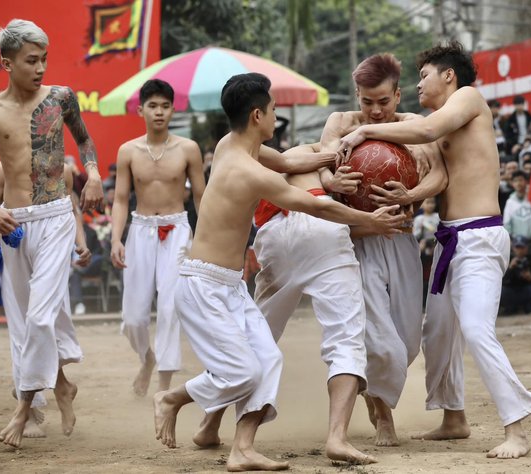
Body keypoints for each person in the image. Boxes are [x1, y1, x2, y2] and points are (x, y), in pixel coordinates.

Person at [152, 73, 403, 471]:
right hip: (203, 284)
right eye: (272, 111)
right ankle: (174, 397)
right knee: (243, 370)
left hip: (230, 283)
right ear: (257, 115)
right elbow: (316, 206)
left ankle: (242, 449)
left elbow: (287, 161)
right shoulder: (247, 170)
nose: (275, 116)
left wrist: (328, 154)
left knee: (268, 360)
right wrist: (369, 219)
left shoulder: (233, 145)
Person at [338, 40, 531, 459]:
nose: (419, 85)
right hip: (451, 237)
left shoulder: (467, 99)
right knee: (438, 333)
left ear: (448, 75)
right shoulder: (445, 119)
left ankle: (517, 429)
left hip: (480, 236)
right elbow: (442, 177)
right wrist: (410, 193)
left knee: (474, 327)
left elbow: (428, 131)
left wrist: (365, 129)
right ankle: (454, 417)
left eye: (424, 76)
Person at [0, 19, 103, 447]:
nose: (40, 67)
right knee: (27, 324)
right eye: (31, 60)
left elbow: (83, 141)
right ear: (6, 63)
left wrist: (95, 173)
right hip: (15, 224)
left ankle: (24, 407)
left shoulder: (61, 97)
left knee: (42, 316)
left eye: (44, 58)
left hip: (57, 216)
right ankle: (61, 386)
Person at [317, 52, 447, 447]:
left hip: (401, 236)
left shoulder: (415, 126)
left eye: (383, 101)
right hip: (355, 239)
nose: (374, 111)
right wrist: (331, 180)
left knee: (407, 341)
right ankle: (381, 413)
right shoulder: (340, 123)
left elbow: (441, 175)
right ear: (356, 95)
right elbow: (320, 164)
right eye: (366, 101)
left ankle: (375, 392)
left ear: (398, 95)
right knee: (378, 338)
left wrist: (412, 193)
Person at [0, 162, 91, 439]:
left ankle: (42, 398)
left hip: (51, 256)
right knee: (22, 332)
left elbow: (71, 209)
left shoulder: (63, 169)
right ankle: (37, 407)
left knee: (46, 321)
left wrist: (80, 242)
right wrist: (8, 232)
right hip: (15, 256)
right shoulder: (1, 170)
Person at [110, 79, 205, 397]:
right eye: (153, 106)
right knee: (133, 316)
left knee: (169, 308)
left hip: (177, 230)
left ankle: (163, 390)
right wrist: (116, 239)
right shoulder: (128, 151)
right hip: (139, 231)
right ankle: (147, 359)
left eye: (165, 105)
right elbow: (121, 199)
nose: (159, 112)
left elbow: (201, 199)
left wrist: (204, 238)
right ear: (141, 110)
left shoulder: (188, 149)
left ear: (173, 109)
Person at [500, 235, 531, 314]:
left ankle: (529, 306)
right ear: (513, 248)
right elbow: (501, 281)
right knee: (501, 290)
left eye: (522, 247)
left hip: (526, 288)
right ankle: (509, 307)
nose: (519, 251)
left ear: (527, 247)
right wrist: (510, 268)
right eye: (517, 247)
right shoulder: (507, 258)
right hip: (511, 289)